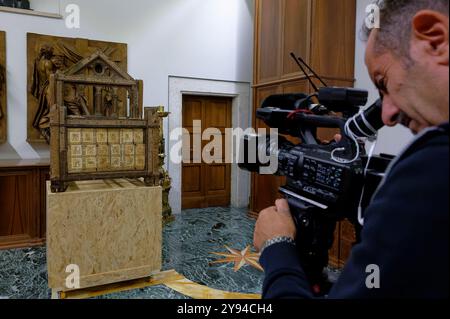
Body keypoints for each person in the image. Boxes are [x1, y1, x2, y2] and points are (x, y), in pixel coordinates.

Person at [254, 0, 449, 298]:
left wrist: (276, 248)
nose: (387, 115)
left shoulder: (432, 169)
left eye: (383, 82)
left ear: (435, 39)